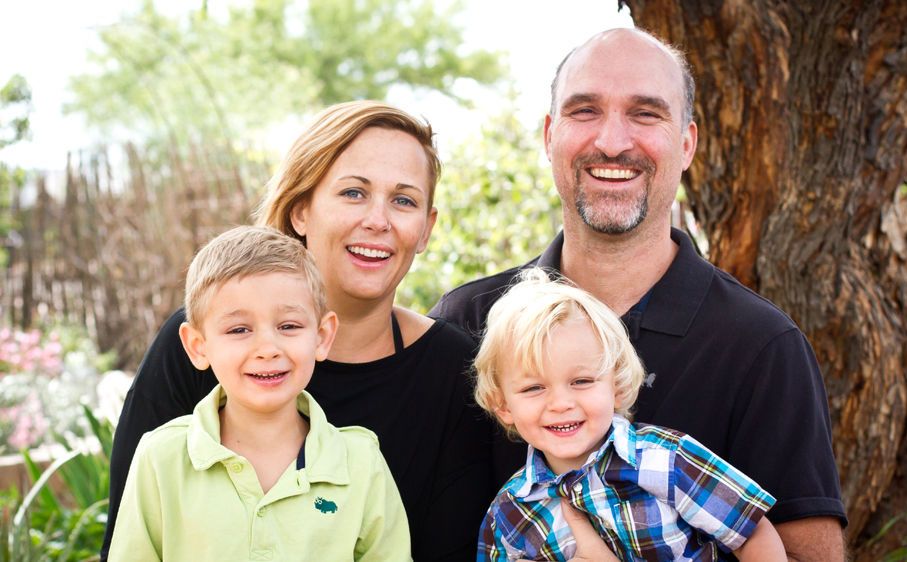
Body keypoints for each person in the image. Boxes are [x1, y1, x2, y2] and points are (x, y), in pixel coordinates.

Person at [430, 28, 847, 560]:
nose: (612, 141)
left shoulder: (763, 346)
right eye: (585, 111)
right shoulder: (467, 323)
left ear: (687, 143)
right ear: (549, 136)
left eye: (646, 114)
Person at [103, 101, 494, 561]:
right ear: (300, 210)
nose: (378, 220)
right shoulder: (199, 343)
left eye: (403, 200)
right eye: (353, 193)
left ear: (425, 229)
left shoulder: (453, 369)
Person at [109, 226, 410, 560]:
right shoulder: (160, 458)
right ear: (197, 346)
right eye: (239, 329)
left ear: (323, 336)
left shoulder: (361, 462)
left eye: (289, 326)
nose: (268, 348)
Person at [473, 268, 785, 561]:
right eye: (533, 388)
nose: (560, 403)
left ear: (618, 386)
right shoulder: (508, 515)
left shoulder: (667, 460)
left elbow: (752, 534)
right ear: (502, 405)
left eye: (581, 381)